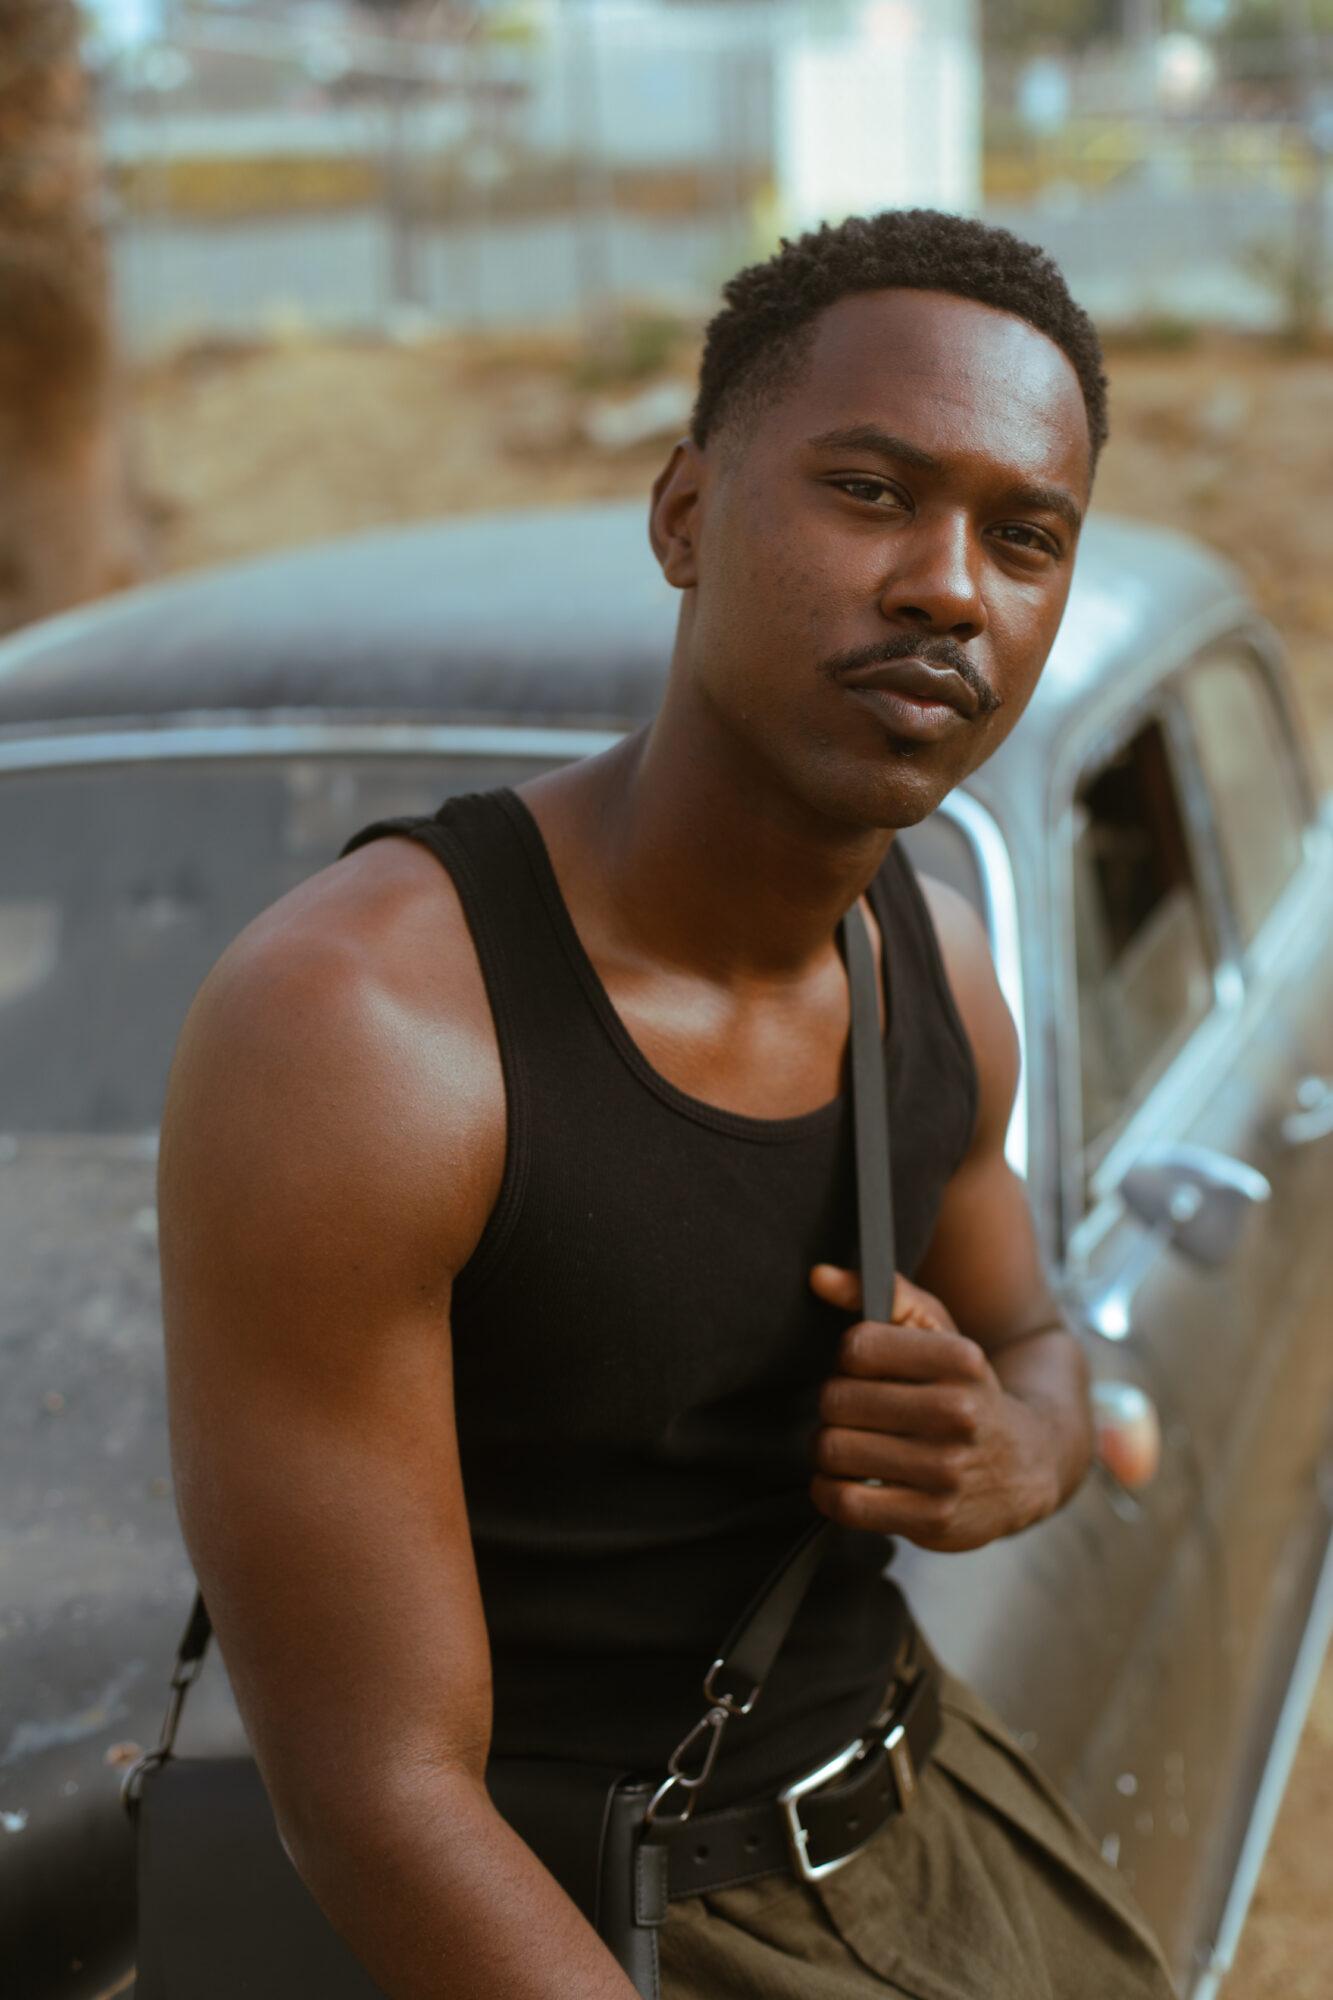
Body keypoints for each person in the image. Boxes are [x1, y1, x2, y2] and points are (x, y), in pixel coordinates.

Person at [158, 210, 1178, 1999]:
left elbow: (1033, 1345)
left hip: (928, 1834)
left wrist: (1008, 1452)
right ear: (685, 516)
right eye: (869, 491)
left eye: (1024, 537)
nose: (950, 585)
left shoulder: (929, 972)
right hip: (557, 1924)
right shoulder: (367, 1028)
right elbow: (378, 1796)